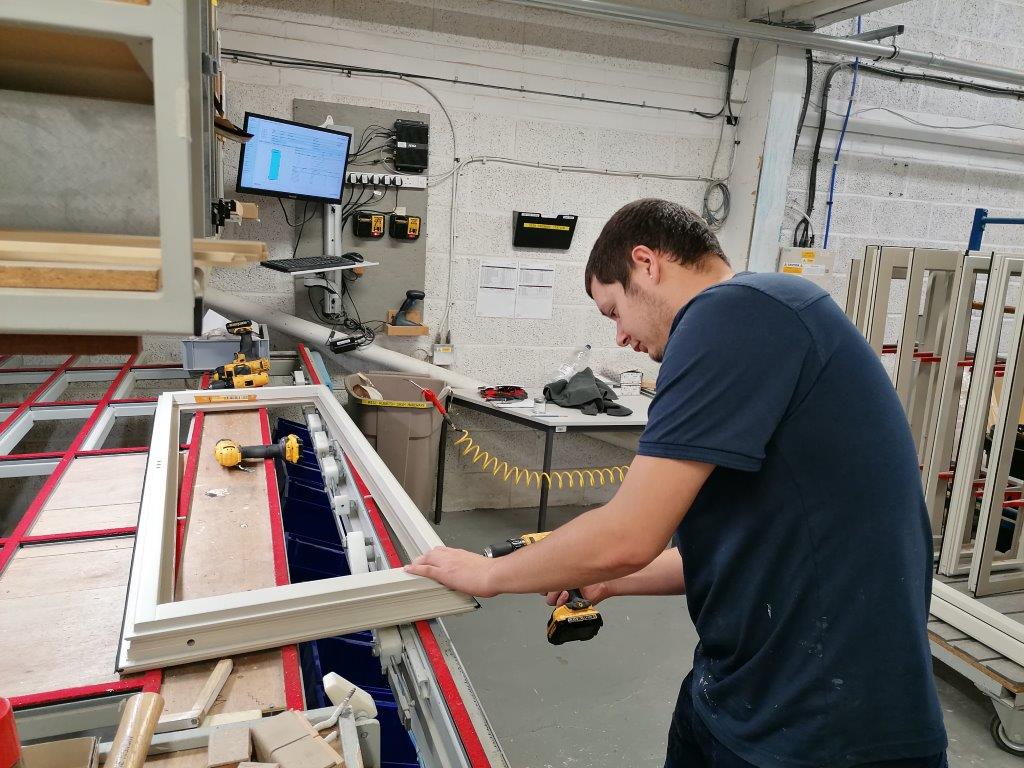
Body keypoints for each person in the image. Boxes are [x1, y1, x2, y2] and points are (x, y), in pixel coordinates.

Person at [405, 198, 948, 768]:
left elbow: (627, 536)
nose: (619, 338)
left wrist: (490, 574)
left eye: (612, 310)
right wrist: (606, 583)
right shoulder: (760, 320)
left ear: (646, 263)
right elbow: (713, 553)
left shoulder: (734, 313)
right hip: (745, 690)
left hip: (827, 727)